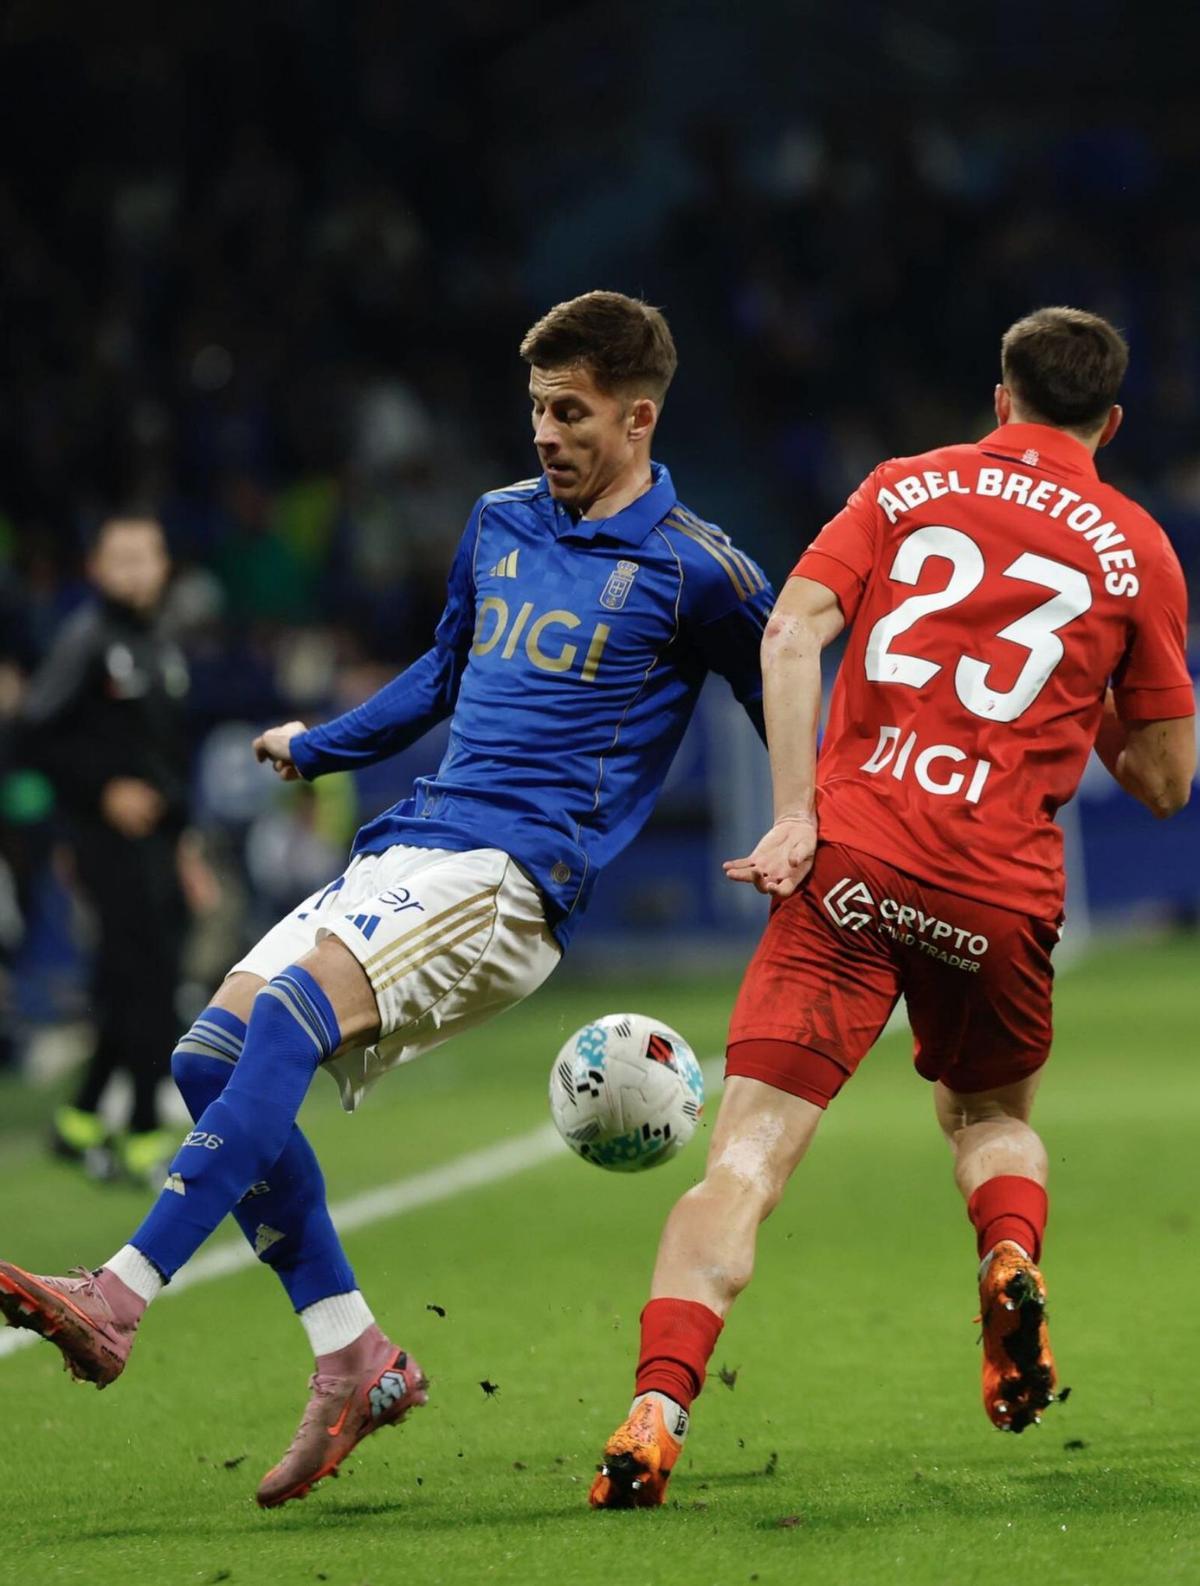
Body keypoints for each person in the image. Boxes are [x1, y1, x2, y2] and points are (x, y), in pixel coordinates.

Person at [0, 291, 776, 1509]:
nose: (545, 433)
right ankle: (354, 1352)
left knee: (290, 1018)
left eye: (570, 412)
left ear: (639, 417)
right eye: (535, 409)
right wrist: (325, 745)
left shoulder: (697, 568)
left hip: (512, 875)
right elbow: (444, 664)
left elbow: (787, 669)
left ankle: (119, 1290)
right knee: (209, 1058)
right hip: (411, 844)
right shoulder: (501, 520)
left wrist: (807, 817)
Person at [589, 305, 1196, 1508]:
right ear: (1111, 421)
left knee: (744, 1164)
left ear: (1001, 393)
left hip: (853, 860)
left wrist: (794, 813)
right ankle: (1008, 1256)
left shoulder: (905, 485)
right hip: (998, 890)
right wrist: (1088, 691)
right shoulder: (1137, 552)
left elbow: (792, 629)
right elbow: (1170, 782)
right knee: (986, 1117)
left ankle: (655, 1411)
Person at [20, 516, 209, 1182]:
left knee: (129, 982)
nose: (133, 570)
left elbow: (163, 756)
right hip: (107, 840)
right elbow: (34, 732)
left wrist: (185, 846)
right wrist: (101, 792)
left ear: (163, 566)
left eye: (145, 556)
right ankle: (144, 1137)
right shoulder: (87, 641)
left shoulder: (159, 642)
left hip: (159, 842)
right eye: (119, 558)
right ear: (95, 568)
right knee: (147, 981)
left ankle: (80, 1121)